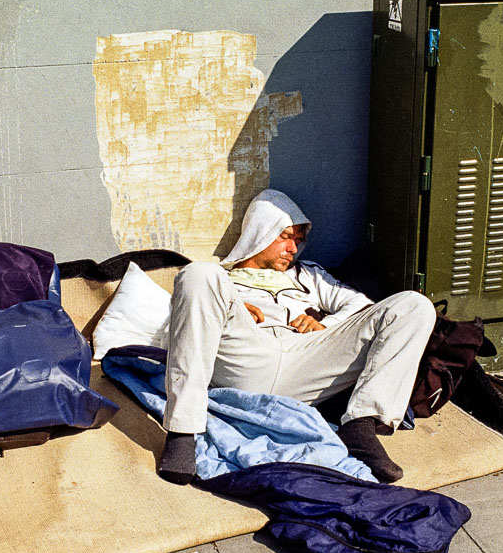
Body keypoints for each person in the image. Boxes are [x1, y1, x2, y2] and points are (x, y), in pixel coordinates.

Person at [160, 189, 437, 484]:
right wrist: (233, 310)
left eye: (298, 240)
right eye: (285, 237)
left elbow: (359, 304)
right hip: (247, 357)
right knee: (197, 273)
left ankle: (360, 426)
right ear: (260, 231)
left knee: (414, 306)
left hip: (307, 361)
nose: (293, 248)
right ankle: (182, 431)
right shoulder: (222, 279)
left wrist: (327, 324)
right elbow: (181, 327)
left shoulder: (309, 275)